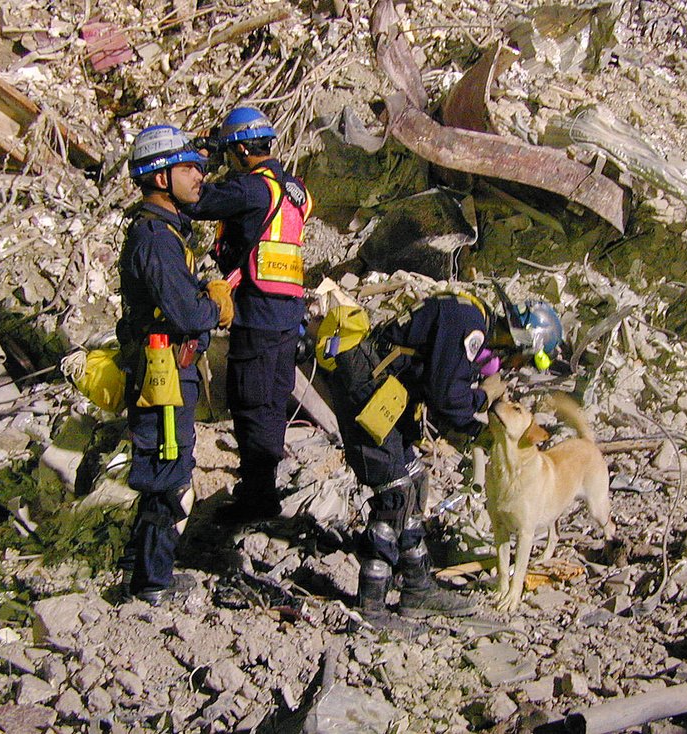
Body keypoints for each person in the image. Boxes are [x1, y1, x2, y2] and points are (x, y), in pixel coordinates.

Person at [320, 288, 564, 618]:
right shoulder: (470, 325)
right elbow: (446, 397)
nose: (515, 365)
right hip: (367, 388)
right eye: (523, 358)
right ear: (520, 340)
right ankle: (372, 608)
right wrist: (481, 399)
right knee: (395, 494)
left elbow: (440, 381)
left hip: (386, 389)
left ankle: (417, 590)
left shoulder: (470, 314)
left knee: (414, 480)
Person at [117, 124, 235, 605]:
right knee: (168, 472)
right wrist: (214, 305)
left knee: (167, 468)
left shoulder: (165, 232)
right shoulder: (157, 239)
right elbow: (185, 312)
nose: (199, 178)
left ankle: (142, 570)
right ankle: (152, 585)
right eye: (189, 168)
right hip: (163, 376)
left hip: (170, 370)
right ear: (160, 178)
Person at [184, 106, 313, 525]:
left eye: (228, 153)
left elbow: (196, 200)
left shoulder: (252, 189)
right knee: (273, 401)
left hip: (257, 312)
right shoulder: (296, 190)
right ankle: (265, 487)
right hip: (288, 311)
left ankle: (257, 497)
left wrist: (196, 161)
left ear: (240, 149)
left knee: (251, 401)